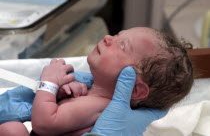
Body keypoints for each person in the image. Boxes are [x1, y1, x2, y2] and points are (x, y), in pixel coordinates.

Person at [0, 27, 193, 135]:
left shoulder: (98, 105)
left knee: (12, 130)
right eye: (118, 35)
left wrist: (48, 83)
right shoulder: (91, 92)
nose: (109, 38)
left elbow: (44, 124)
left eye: (122, 45)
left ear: (134, 89)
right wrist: (63, 92)